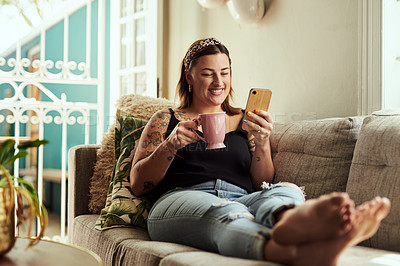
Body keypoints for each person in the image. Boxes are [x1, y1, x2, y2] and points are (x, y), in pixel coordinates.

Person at [130, 37, 391, 265]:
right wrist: (170, 145)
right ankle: (296, 254)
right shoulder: (166, 119)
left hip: (242, 197)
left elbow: (260, 182)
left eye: (225, 72)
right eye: (208, 73)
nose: (218, 81)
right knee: (227, 213)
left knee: (286, 189)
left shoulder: (247, 119)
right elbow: (139, 185)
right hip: (181, 200)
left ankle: (292, 224)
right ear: (189, 77)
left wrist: (262, 141)